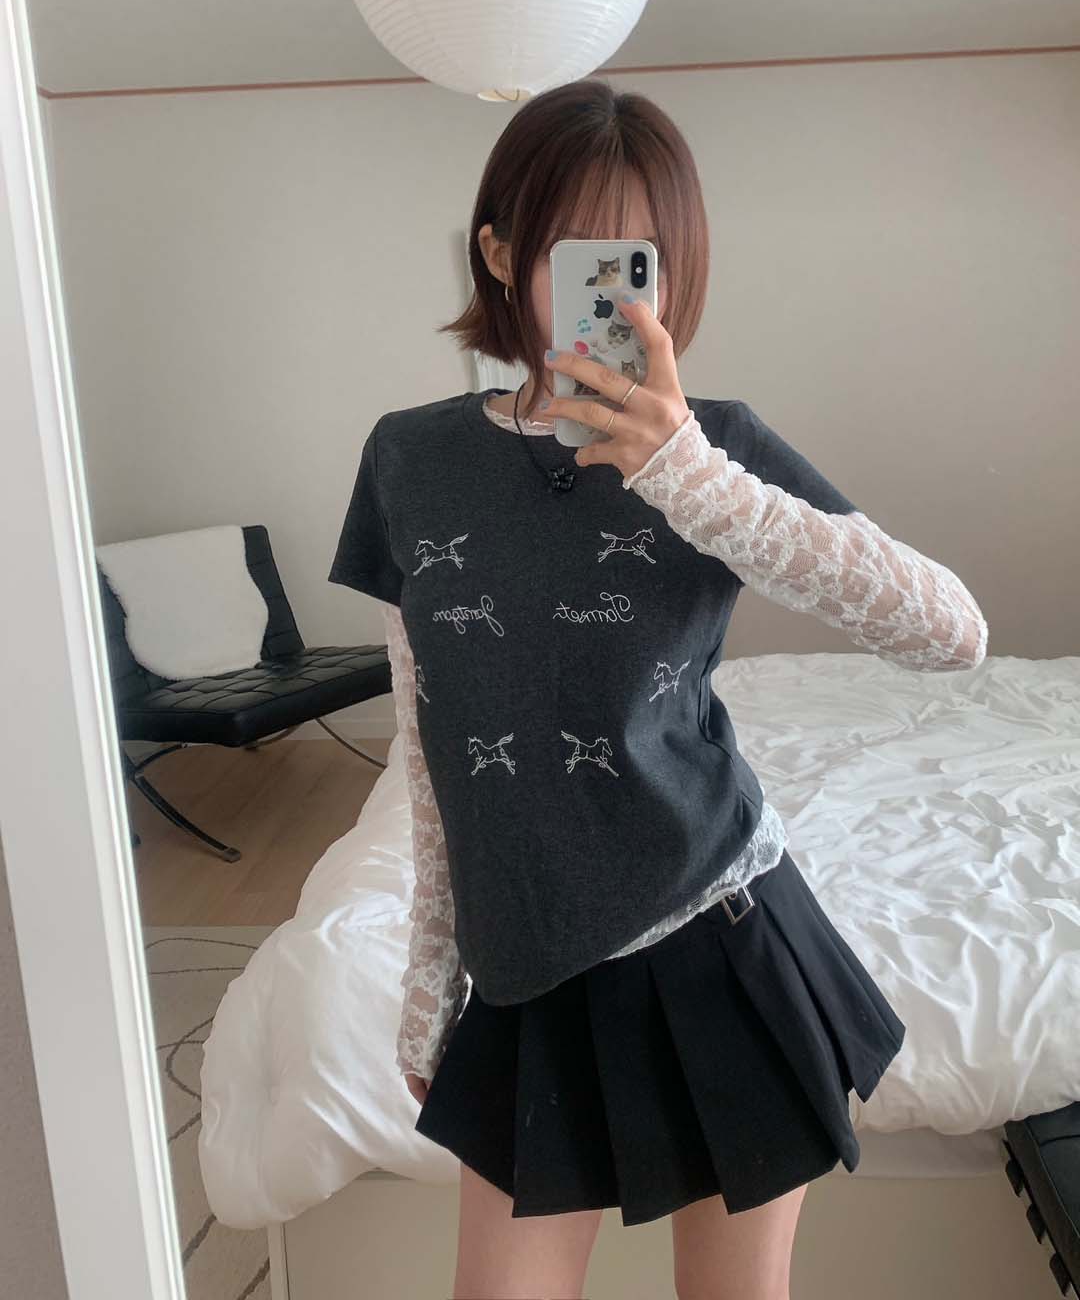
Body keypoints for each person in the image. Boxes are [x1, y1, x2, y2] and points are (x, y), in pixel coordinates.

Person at [328, 78, 988, 1300]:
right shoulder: (410, 460)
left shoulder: (714, 447)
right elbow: (430, 739)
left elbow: (951, 633)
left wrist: (692, 478)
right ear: (503, 253)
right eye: (587, 256)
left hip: (718, 940)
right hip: (524, 969)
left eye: (648, 261)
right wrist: (431, 980)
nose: (623, 297)